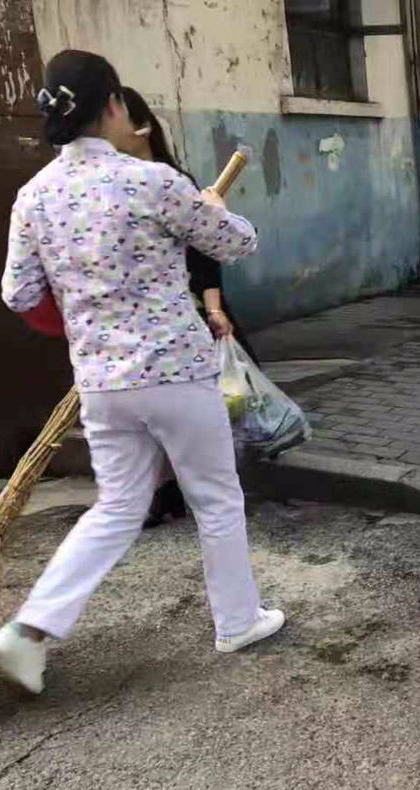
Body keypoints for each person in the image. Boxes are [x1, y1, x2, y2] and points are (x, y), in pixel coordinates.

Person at [0, 50, 284, 694]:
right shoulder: (153, 181)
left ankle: (30, 629)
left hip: (101, 381)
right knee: (216, 497)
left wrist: (81, 315)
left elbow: (19, 293)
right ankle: (237, 621)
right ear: (114, 105)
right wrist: (211, 204)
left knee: (118, 506)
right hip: (175, 370)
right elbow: (239, 241)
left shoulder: (34, 196)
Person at [118, 87, 259, 528]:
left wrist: (214, 310)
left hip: (188, 313)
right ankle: (164, 491)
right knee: (148, 418)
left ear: (141, 128)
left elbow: (208, 253)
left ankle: (205, 492)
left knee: (210, 405)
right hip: (135, 330)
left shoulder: (171, 183)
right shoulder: (108, 187)